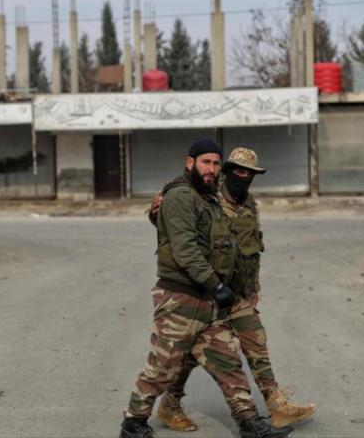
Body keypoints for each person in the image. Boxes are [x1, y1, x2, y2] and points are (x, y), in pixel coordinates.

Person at [120, 138, 292, 438]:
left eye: (215, 163)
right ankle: (133, 423)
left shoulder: (208, 198)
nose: (211, 169)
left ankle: (249, 422)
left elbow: (228, 245)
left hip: (208, 300)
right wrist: (217, 284)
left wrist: (235, 286)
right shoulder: (181, 196)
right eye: (205, 163)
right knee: (162, 368)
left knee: (228, 361)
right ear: (191, 163)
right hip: (181, 298)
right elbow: (185, 250)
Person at [148, 147, 317, 432]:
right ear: (225, 171)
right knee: (186, 354)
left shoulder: (250, 204)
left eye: (249, 173)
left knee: (256, 342)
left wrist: (254, 287)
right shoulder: (207, 196)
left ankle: (276, 404)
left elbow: (253, 250)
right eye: (237, 171)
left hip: (237, 294)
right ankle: (170, 404)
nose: (243, 176)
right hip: (206, 290)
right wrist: (155, 211)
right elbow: (173, 225)